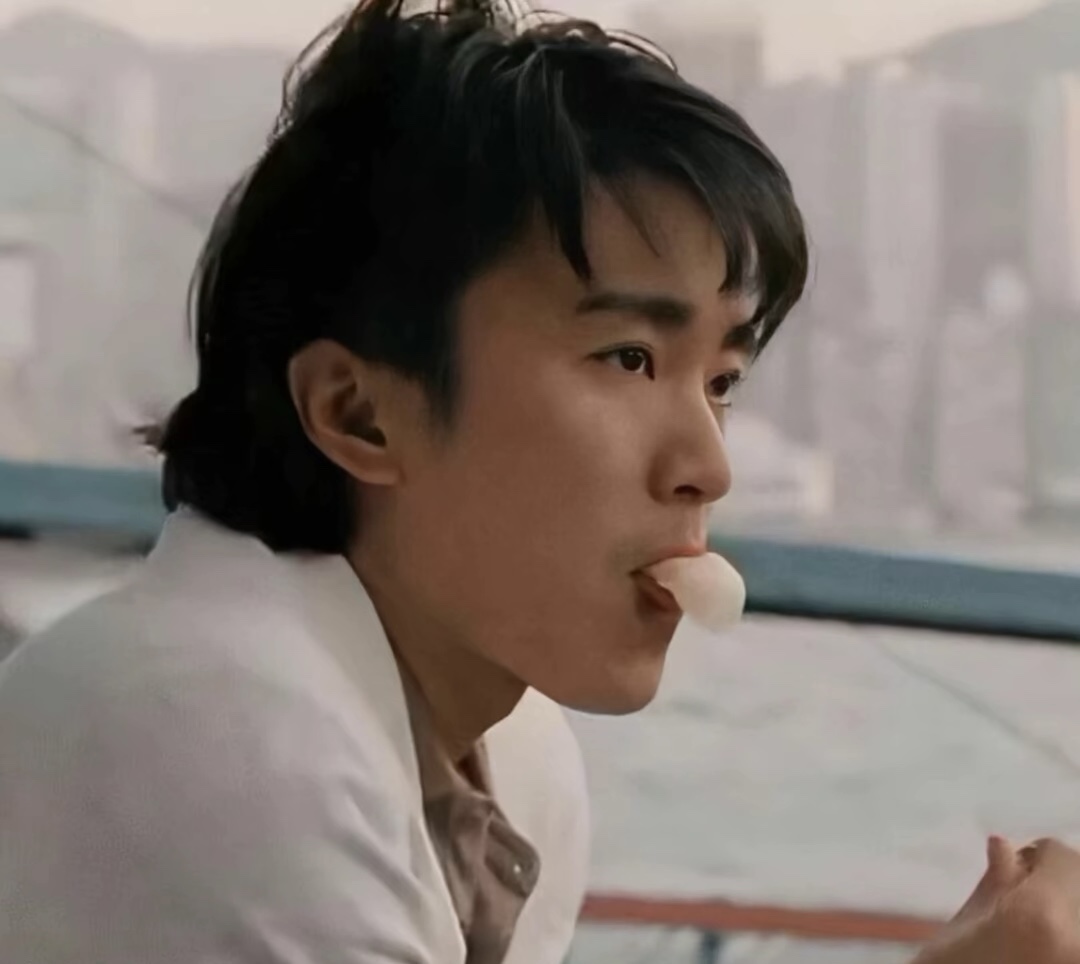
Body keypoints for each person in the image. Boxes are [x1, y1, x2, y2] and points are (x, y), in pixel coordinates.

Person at [0, 1, 1077, 962]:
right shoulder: (224, 738)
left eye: (722, 381)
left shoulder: (512, 752)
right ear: (359, 413)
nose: (708, 466)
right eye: (629, 359)